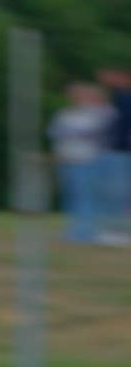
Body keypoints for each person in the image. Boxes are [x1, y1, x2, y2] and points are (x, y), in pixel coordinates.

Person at [49, 82, 116, 244]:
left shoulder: (105, 113)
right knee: (72, 196)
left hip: (89, 159)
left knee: (87, 196)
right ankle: (75, 230)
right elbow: (54, 132)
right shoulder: (67, 113)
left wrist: (72, 133)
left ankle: (86, 232)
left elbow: (96, 133)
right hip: (66, 158)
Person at [98, 68, 131, 245]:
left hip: (122, 152)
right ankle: (114, 232)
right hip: (115, 151)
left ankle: (119, 233)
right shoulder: (118, 97)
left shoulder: (125, 97)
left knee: (119, 194)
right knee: (114, 194)